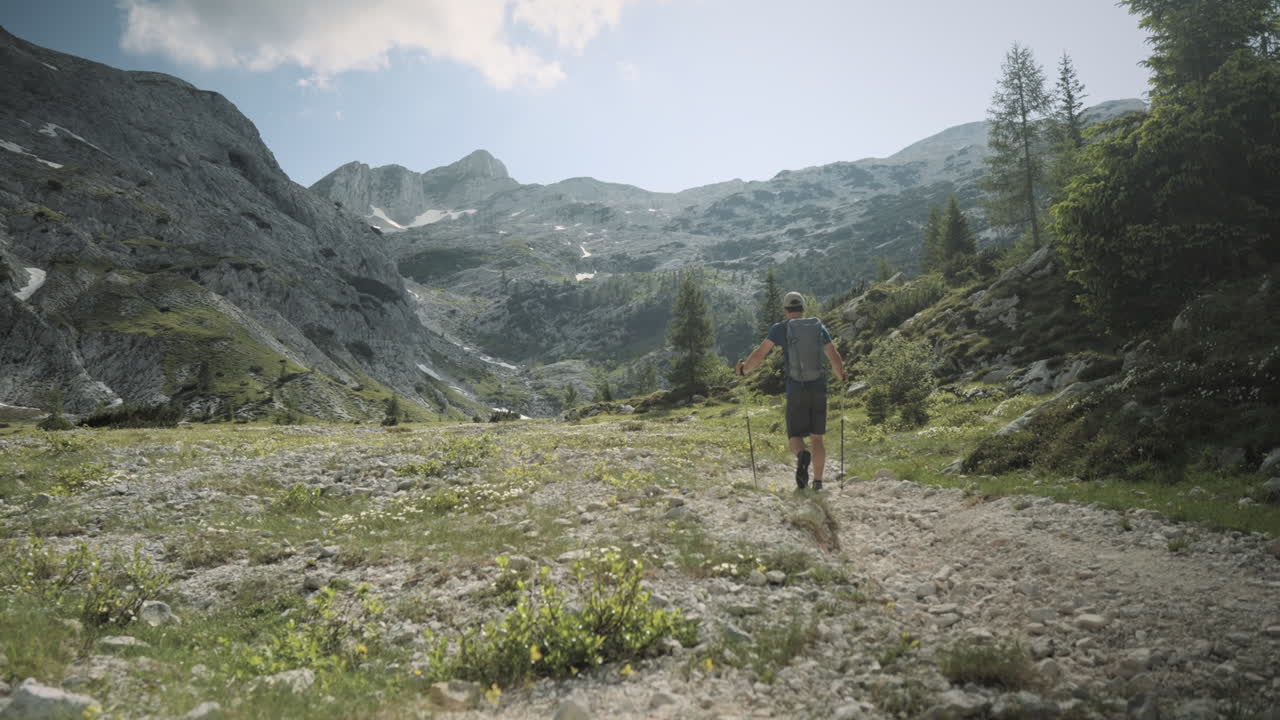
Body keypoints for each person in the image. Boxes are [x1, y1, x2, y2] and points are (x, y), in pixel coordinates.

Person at [736, 291, 846, 490]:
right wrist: (841, 376)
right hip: (819, 387)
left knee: (795, 435)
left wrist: (744, 370)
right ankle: (818, 483)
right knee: (817, 438)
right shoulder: (817, 327)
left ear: (786, 310)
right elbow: (833, 354)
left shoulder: (780, 329)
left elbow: (760, 355)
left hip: (796, 388)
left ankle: (802, 456)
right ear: (803, 308)